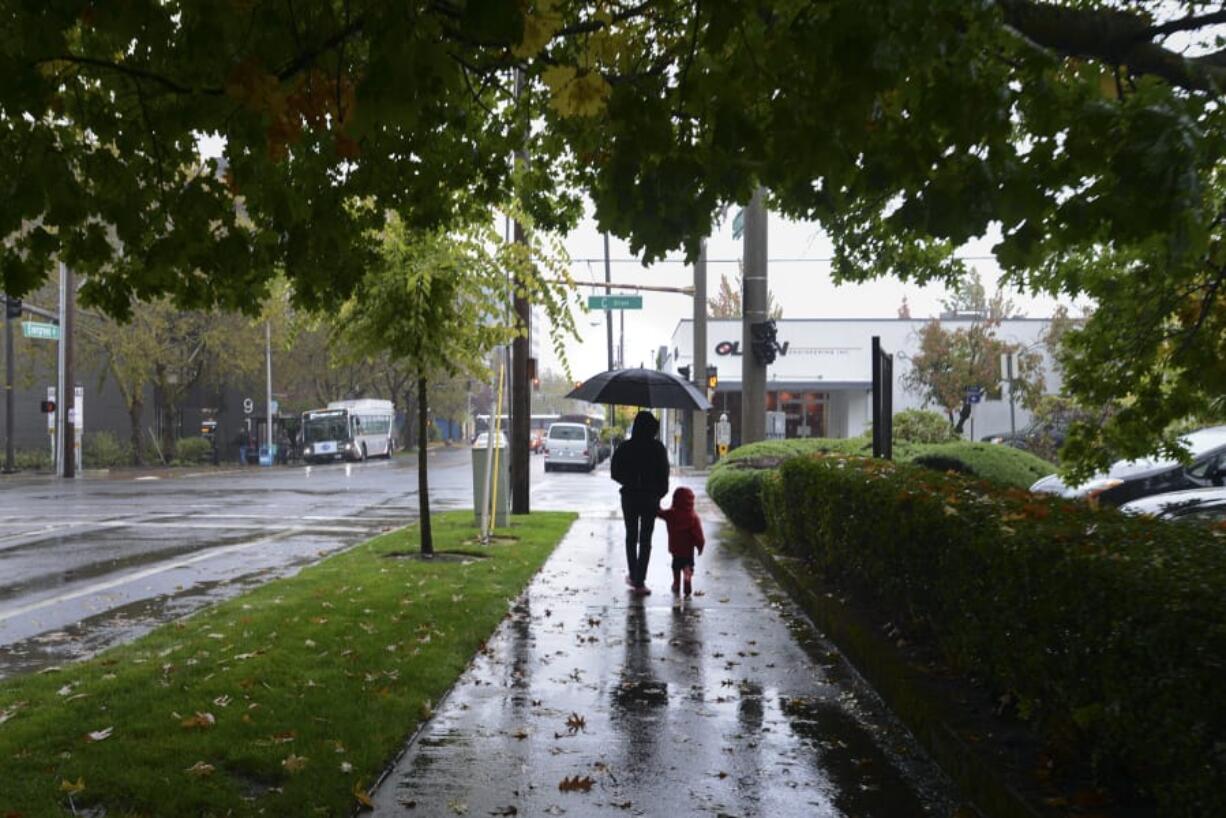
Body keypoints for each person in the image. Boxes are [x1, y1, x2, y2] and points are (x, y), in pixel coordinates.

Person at [610, 410, 670, 595]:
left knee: (631, 536)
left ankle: (633, 573)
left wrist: (629, 481)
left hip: (629, 497)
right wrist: (657, 494)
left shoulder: (625, 447)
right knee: (646, 539)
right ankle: (640, 580)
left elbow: (615, 472)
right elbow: (664, 476)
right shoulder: (658, 448)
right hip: (650, 498)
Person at [657, 486, 705, 597]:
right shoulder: (693, 517)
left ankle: (676, 584)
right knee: (687, 565)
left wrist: (657, 501)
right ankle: (687, 575)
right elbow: (699, 536)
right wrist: (700, 546)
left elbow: (659, 513)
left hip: (675, 548)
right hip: (688, 550)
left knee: (675, 566)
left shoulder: (671, 513)